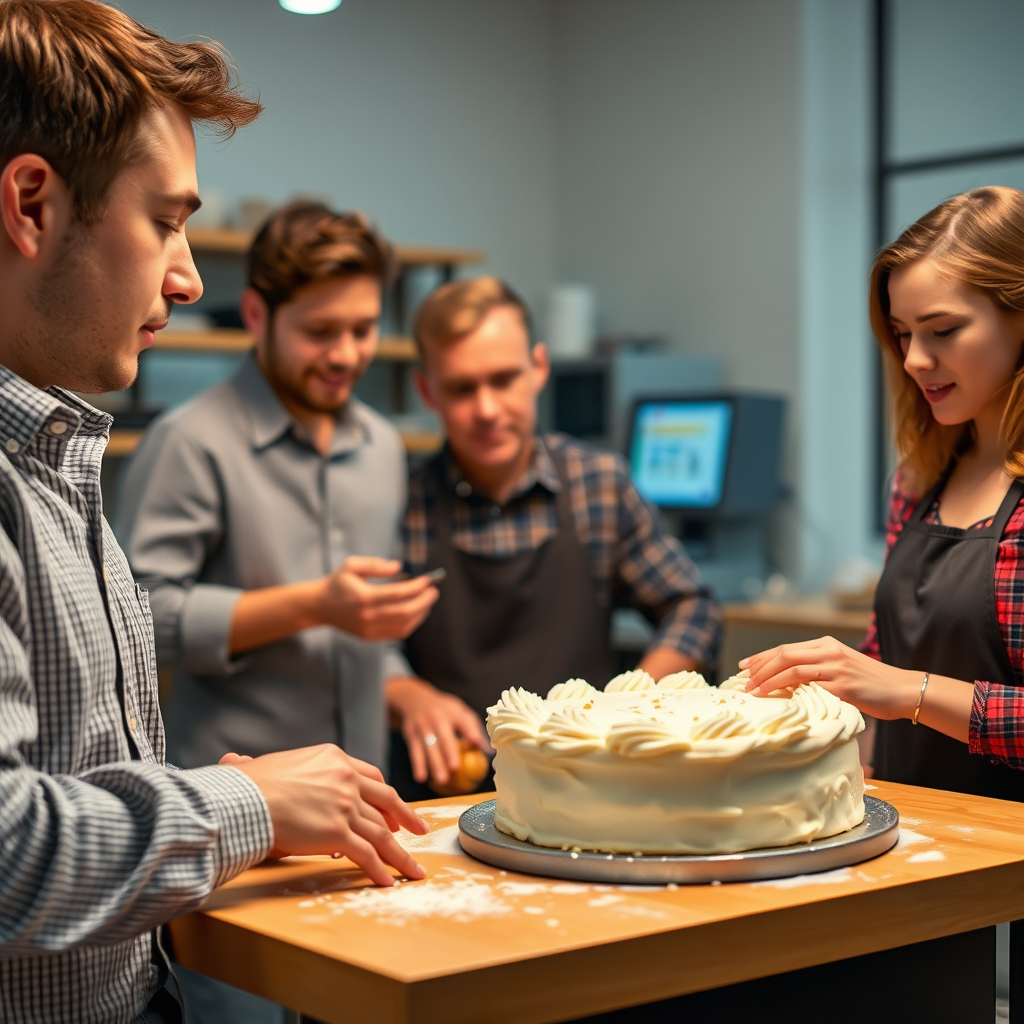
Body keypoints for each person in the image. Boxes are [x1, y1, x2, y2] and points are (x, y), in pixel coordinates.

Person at [0, 3, 427, 1022]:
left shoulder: (54, 454)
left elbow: (76, 738)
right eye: (167, 221)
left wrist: (213, 792)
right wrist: (242, 801)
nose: (186, 275)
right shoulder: (178, 441)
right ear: (30, 203)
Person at [118, 201, 438, 773]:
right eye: (320, 332)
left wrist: (406, 689)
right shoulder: (189, 441)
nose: (345, 354)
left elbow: (362, 637)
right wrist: (314, 605)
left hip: (365, 804)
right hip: (234, 815)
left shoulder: (384, 447)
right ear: (256, 314)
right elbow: (138, 622)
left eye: (363, 330)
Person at [383, 276, 722, 797]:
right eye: (461, 388)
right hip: (444, 797)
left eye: (504, 380)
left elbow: (692, 608)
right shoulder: (399, 499)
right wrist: (406, 693)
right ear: (427, 390)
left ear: (538, 368)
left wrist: (631, 700)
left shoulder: (599, 484)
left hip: (590, 783)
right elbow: (362, 646)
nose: (488, 409)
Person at [743, 185, 1024, 797]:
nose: (915, 360)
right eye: (901, 334)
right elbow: (887, 658)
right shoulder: (919, 482)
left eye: (943, 330)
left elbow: (897, 685)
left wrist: (907, 690)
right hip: (918, 836)